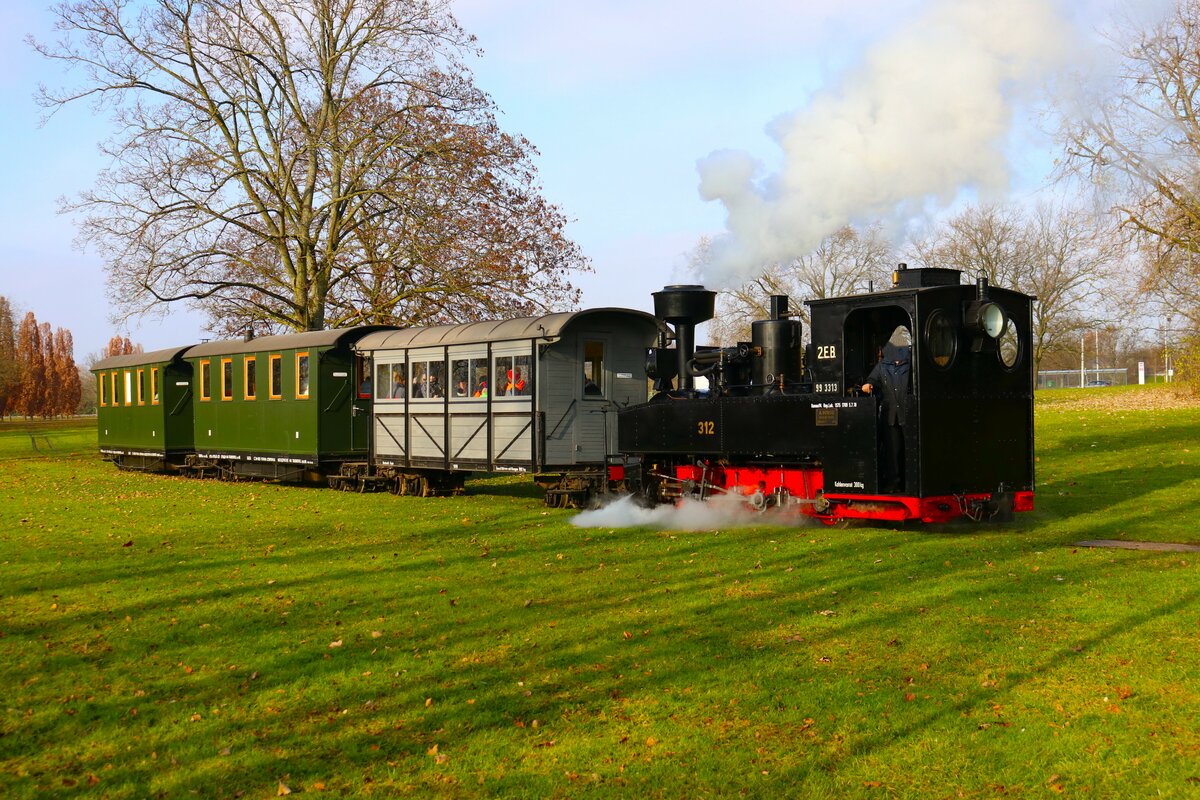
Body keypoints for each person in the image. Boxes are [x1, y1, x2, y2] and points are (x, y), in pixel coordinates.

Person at [861, 327, 911, 492]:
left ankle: (909, 483)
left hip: (908, 412)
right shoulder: (882, 366)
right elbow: (871, 380)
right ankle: (894, 484)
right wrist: (868, 385)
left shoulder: (912, 364)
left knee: (910, 450)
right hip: (890, 415)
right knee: (893, 451)